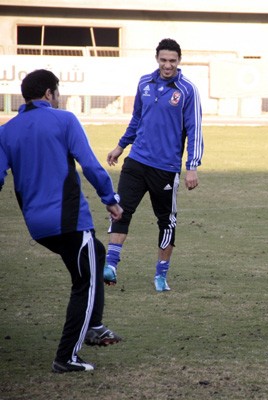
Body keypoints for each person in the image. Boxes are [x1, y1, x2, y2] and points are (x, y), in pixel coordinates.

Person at [0, 69, 124, 373]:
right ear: (48, 94)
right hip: (68, 220)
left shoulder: (6, 131)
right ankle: (66, 356)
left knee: (94, 253)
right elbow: (91, 166)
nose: (59, 97)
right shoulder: (64, 119)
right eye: (58, 92)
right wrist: (110, 200)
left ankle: (93, 326)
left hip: (38, 226)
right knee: (86, 282)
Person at [103, 38, 203, 292]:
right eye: (163, 60)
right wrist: (121, 146)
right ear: (156, 59)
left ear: (179, 61)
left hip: (166, 168)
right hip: (136, 161)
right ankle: (111, 265)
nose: (167, 65)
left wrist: (192, 166)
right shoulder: (144, 83)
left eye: (172, 61)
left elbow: (195, 130)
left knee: (166, 221)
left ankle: (161, 275)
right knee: (120, 209)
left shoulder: (187, 90)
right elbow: (137, 118)